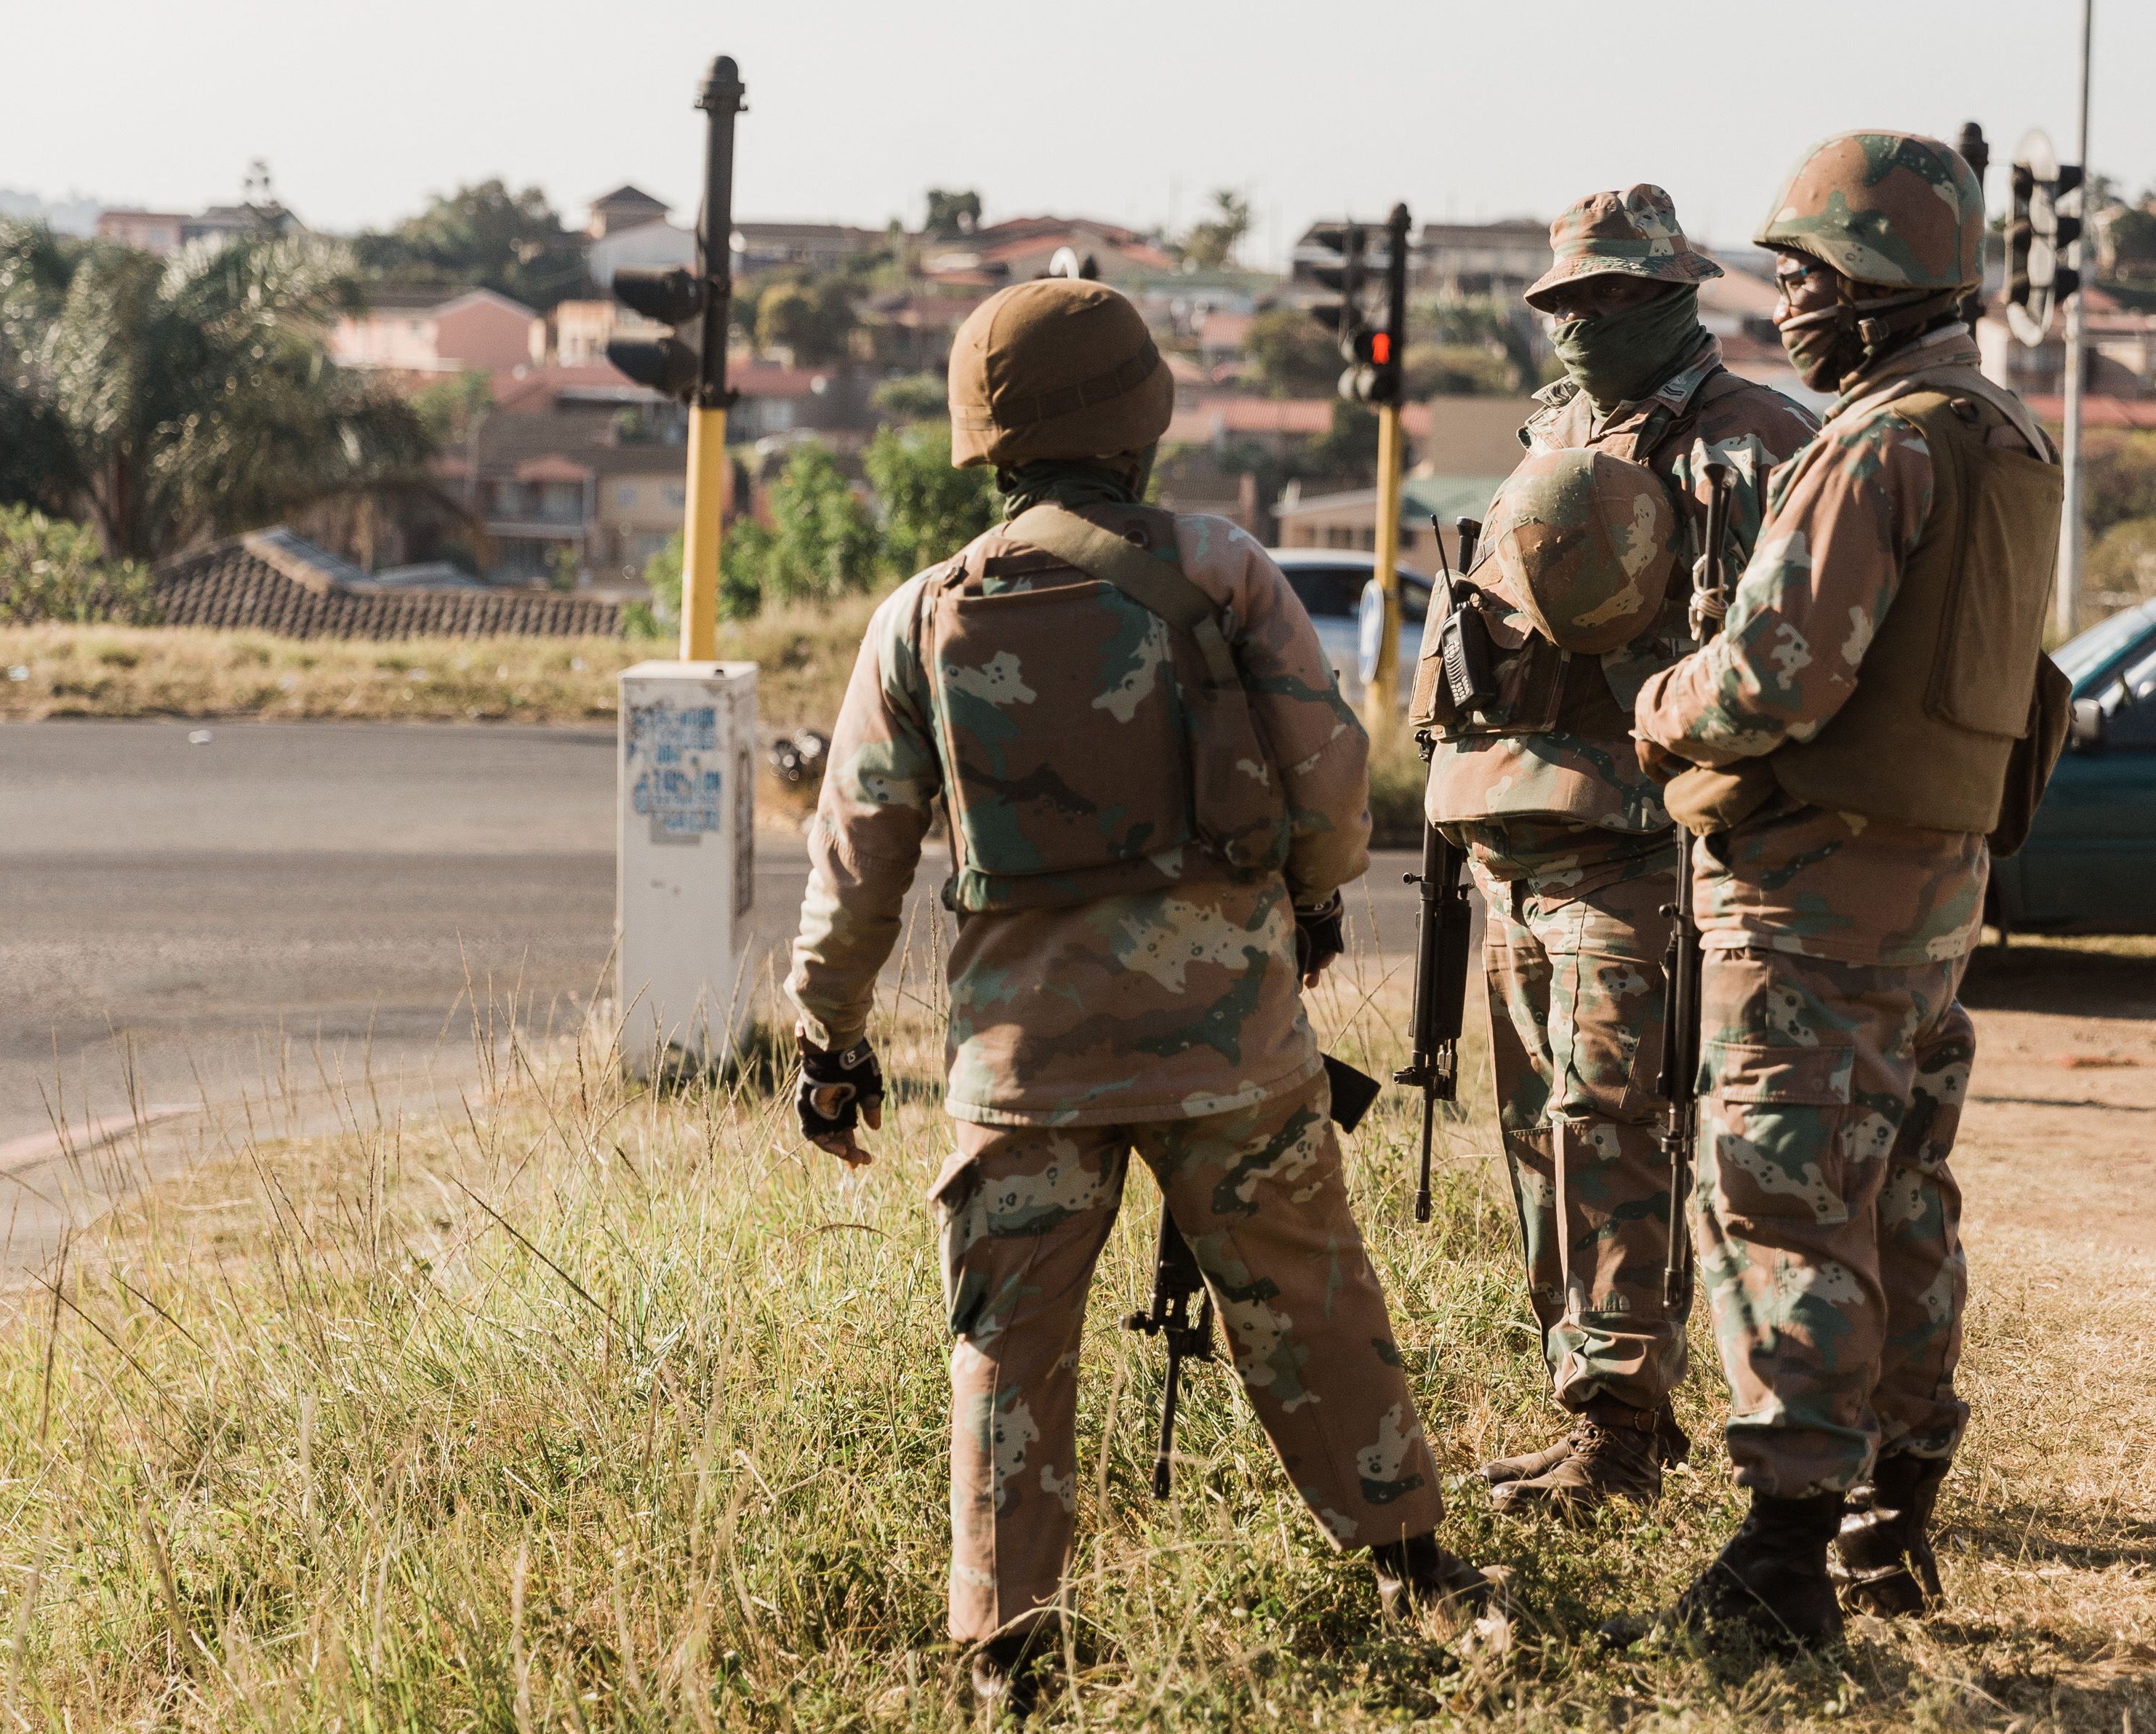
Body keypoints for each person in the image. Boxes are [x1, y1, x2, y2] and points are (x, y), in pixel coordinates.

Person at [788, 277, 1499, 1710]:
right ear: (1143, 421)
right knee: (1310, 1302)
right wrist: (1295, 899)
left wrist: (831, 1039)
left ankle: (1008, 1650)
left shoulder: (922, 614)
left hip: (1020, 1060)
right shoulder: (1226, 571)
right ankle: (1422, 1575)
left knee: (1008, 1348)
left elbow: (856, 859)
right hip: (1229, 1044)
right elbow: (1333, 788)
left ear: (983, 441)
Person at [1629, 130, 2066, 1648]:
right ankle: (1896, 1521)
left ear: (1881, 285)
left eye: (1807, 275)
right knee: (1900, 1198)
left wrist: (1662, 703)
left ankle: (1783, 1557)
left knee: (1782, 1200)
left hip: (1817, 894)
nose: (1784, 306)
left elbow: (1777, 676)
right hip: (1932, 890)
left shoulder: (1880, 442)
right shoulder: (2006, 434)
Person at [1416, 184, 1816, 1516]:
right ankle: (1596, 1402)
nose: (1580, 322)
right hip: (1513, 837)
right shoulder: (1553, 434)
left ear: (1672, 296)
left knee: (1611, 1128)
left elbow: (1785, 669)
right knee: (1540, 1134)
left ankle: (1622, 1433)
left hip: (1640, 849)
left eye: (1607, 298)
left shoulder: (1758, 445)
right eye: (1565, 301)